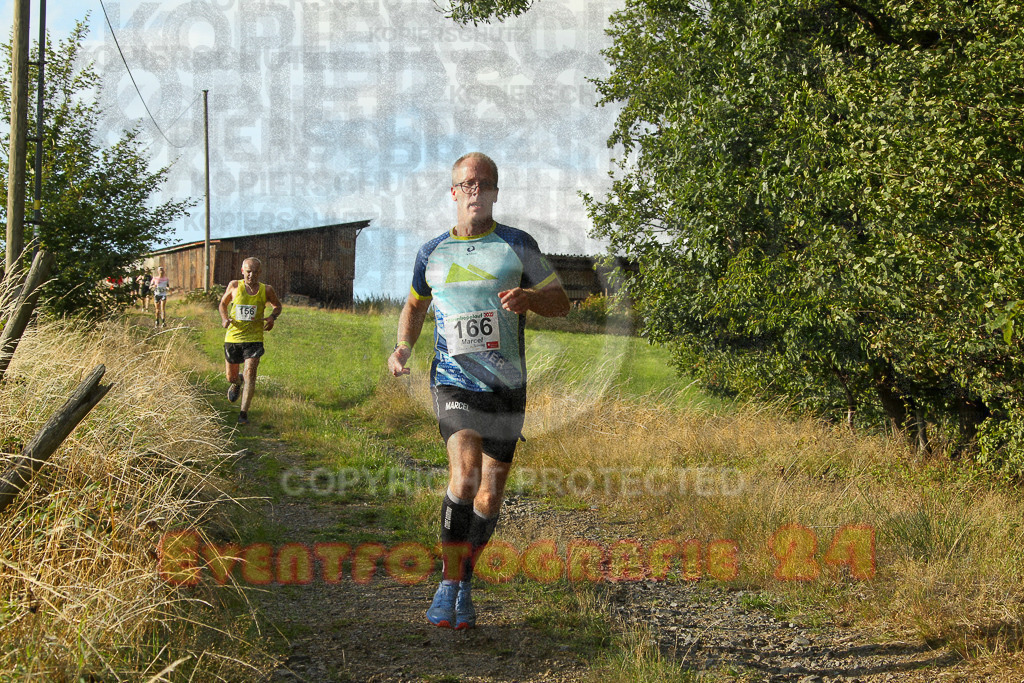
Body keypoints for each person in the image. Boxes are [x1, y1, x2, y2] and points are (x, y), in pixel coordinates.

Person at [388, 152, 569, 630]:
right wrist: (403, 347)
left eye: (484, 183)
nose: (475, 190)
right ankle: (448, 583)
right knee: (464, 474)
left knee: (489, 498)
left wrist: (530, 297)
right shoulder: (430, 252)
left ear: (495, 193)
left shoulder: (518, 245)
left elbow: (562, 302)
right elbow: (414, 306)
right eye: (466, 183)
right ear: (453, 193)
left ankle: (465, 579)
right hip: (453, 380)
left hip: (506, 387)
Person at [219, 257, 283, 425]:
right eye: (248, 272)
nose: (251, 275)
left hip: (254, 339)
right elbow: (222, 304)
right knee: (231, 377)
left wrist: (271, 317)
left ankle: (243, 414)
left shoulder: (266, 290)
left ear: (260, 273)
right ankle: (236, 383)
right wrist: (224, 319)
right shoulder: (234, 286)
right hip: (233, 337)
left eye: (255, 272)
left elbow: (277, 306)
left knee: (250, 373)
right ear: (242, 271)